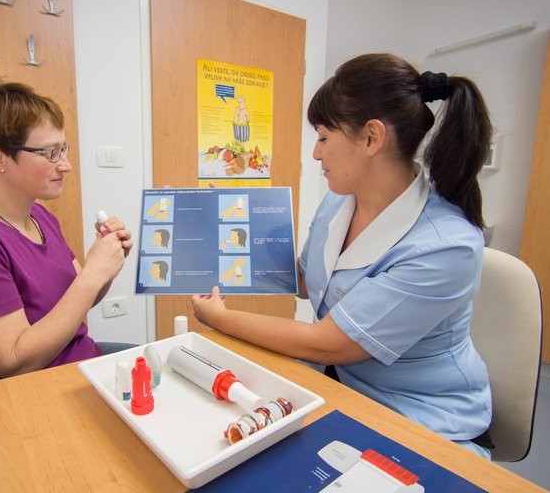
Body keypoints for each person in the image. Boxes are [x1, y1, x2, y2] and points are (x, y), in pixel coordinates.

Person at [191, 53, 494, 458]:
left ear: (371, 137)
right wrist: (227, 226)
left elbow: (328, 343)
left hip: (419, 417)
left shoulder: (447, 246)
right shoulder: (339, 204)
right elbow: (303, 283)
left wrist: (221, 319)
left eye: (322, 137)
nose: (316, 154)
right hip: (337, 389)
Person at [0, 79, 134, 386]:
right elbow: (14, 362)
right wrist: (93, 273)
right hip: (33, 397)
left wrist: (107, 265)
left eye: (64, 149)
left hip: (79, 363)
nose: (67, 165)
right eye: (51, 153)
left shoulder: (39, 217)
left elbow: (77, 300)